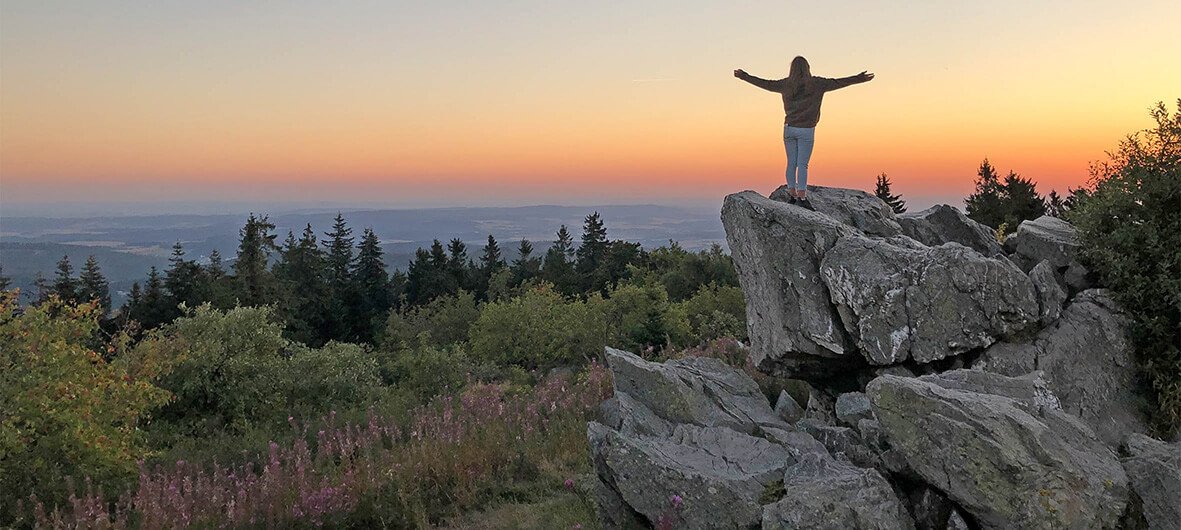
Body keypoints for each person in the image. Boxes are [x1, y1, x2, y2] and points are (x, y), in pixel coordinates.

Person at [734, 56, 873, 207]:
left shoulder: (785, 84)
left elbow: (765, 83)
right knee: (803, 164)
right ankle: (802, 197)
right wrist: (859, 78)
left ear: (792, 69)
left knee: (791, 163)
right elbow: (838, 82)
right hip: (806, 130)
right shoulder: (817, 84)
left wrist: (744, 76)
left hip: (789, 129)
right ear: (808, 68)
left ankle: (792, 194)